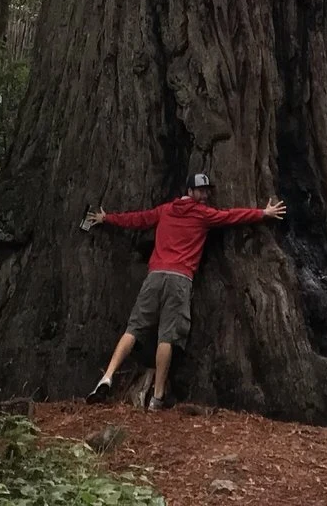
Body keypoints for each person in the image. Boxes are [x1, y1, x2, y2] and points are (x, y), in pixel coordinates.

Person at [81, 171, 287, 408]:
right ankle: (157, 397)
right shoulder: (203, 214)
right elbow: (232, 216)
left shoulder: (166, 210)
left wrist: (106, 218)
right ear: (190, 191)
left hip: (155, 276)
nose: (205, 195)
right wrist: (263, 213)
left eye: (206, 191)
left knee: (134, 329)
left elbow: (138, 219)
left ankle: (107, 376)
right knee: (167, 336)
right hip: (179, 279)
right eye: (201, 191)